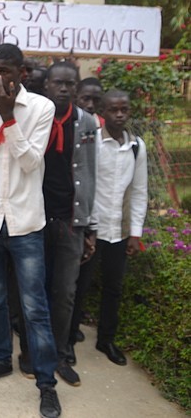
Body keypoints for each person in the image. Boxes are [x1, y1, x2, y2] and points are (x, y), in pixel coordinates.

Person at [0, 44, 61, 418]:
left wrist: (8, 117)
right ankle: (0, 358)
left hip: (26, 223)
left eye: (6, 71)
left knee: (35, 307)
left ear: (22, 72)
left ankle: (46, 383)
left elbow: (31, 162)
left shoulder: (41, 108)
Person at [72, 89, 147, 367]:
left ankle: (106, 339)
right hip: (92, 229)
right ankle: (68, 339)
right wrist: (85, 227)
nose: (119, 115)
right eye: (113, 110)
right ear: (102, 112)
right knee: (79, 286)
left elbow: (139, 191)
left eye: (124, 110)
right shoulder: (93, 143)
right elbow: (82, 183)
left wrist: (135, 232)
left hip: (119, 231)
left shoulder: (136, 146)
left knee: (113, 288)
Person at [35, 62, 97, 386]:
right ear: (46, 85)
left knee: (64, 293)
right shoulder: (35, 117)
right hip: (34, 219)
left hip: (70, 221)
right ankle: (33, 351)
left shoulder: (86, 122)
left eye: (69, 84)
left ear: (76, 88)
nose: (63, 89)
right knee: (33, 290)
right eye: (57, 83)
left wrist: (91, 226)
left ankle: (59, 353)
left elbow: (91, 172)